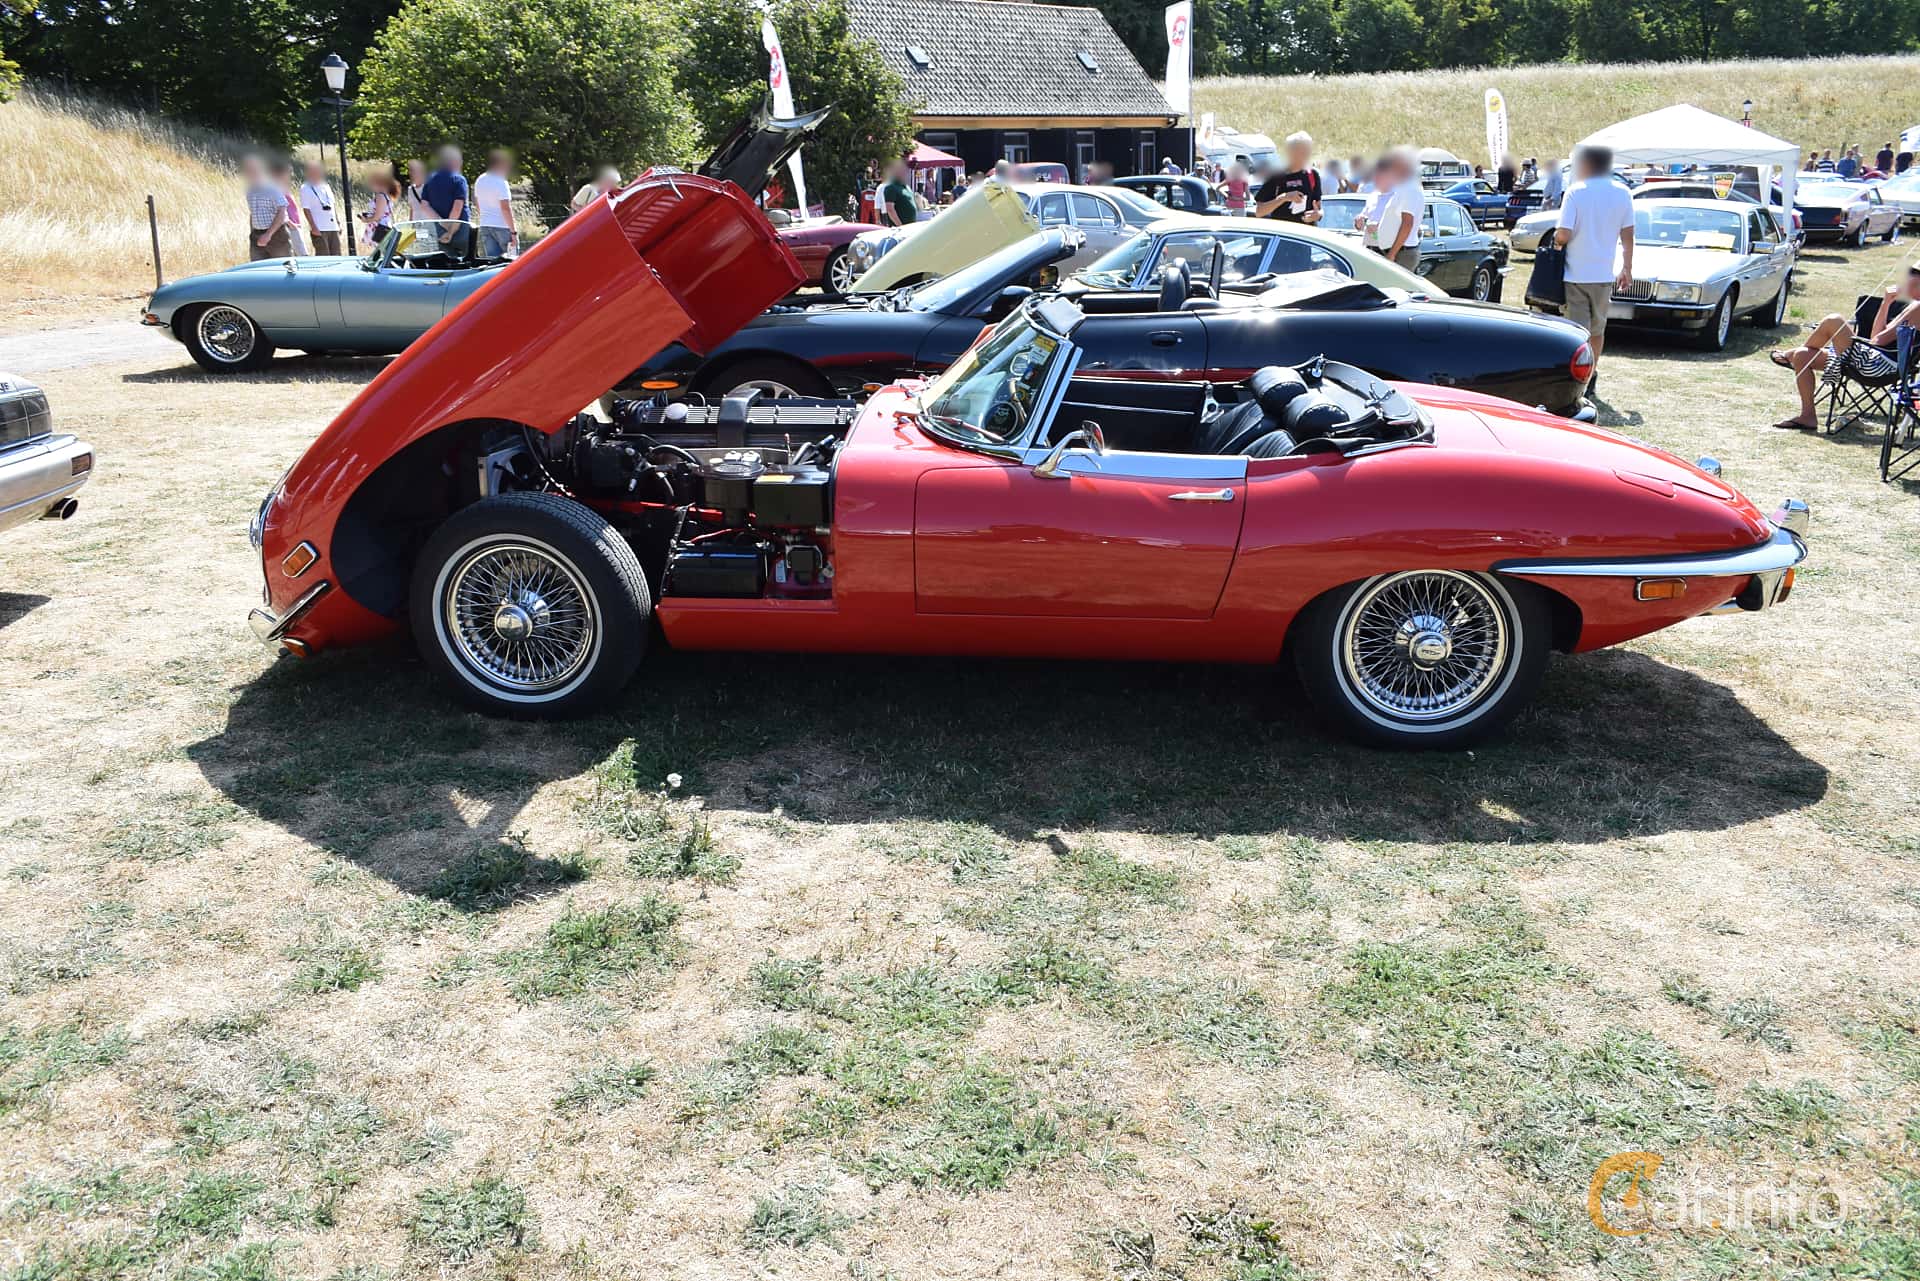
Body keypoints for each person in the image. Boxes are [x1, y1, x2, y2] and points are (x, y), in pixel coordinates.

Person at [1766, 266, 1920, 430]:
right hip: (1876, 359)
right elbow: (1876, 335)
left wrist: (1854, 338)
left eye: (1913, 274)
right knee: (1803, 356)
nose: (1906, 278)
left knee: (1834, 320)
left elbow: (1878, 341)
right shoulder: (1914, 305)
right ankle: (1808, 416)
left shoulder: (1918, 308)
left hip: (1881, 366)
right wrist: (1886, 302)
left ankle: (1790, 354)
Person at [1550, 144, 1635, 369]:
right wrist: (1627, 267)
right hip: (1603, 272)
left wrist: (1557, 239)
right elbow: (1628, 234)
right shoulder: (1623, 193)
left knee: (1577, 330)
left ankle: (1576, 372)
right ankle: (1592, 371)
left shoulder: (1576, 192)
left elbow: (1564, 234)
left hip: (1576, 272)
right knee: (1598, 330)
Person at [1360, 146, 1423, 272]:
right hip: (1396, 251)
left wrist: (1392, 254)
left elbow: (1407, 224)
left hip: (1401, 253)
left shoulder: (1410, 187)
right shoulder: (1403, 186)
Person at [1255, 131, 1322, 224]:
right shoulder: (1276, 176)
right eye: (1303, 151)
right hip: (1284, 235)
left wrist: (1317, 215)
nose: (1307, 154)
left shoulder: (1312, 174)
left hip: (1307, 235)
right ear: (1291, 152)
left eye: (1308, 150)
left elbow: (1319, 208)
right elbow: (1259, 212)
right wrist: (1283, 198)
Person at [422, 145, 470, 257]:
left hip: (439, 228)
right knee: (462, 261)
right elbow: (458, 206)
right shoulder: (459, 179)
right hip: (459, 228)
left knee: (445, 259)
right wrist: (450, 230)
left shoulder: (429, 180)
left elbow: (424, 205)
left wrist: (441, 222)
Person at [243, 155, 291, 261]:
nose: (250, 173)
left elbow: (282, 212)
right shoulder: (250, 191)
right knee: (259, 270)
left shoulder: (272, 188)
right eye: (247, 170)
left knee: (282, 268)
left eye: (253, 169)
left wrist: (268, 234)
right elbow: (253, 214)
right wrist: (253, 232)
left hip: (277, 235)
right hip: (257, 235)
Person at [473, 148, 517, 259]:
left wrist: (485, 217)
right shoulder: (501, 181)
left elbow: (477, 203)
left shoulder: (480, 179)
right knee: (511, 263)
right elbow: (505, 208)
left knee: (492, 263)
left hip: (485, 225)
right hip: (502, 226)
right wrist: (513, 232)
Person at [298, 160, 343, 256]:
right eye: (313, 170)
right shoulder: (305, 188)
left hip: (332, 227)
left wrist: (338, 223)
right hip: (319, 228)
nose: (316, 173)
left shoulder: (326, 186)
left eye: (318, 170)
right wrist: (313, 227)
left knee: (337, 255)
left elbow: (332, 206)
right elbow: (306, 209)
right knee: (323, 255)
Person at [274, 160, 307, 255]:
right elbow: (277, 209)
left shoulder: (284, 188)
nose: (290, 176)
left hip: (295, 226)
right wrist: (290, 223)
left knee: (297, 255)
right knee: (302, 255)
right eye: (288, 173)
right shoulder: (276, 189)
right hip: (289, 227)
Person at [360, 170, 397, 245]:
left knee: (378, 252)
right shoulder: (387, 195)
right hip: (384, 225)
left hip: (378, 228)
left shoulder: (380, 196)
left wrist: (366, 220)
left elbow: (378, 216)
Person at [877, 159, 916, 227]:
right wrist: (900, 226)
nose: (905, 172)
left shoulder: (907, 187)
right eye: (901, 170)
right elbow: (890, 209)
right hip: (899, 230)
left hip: (911, 227)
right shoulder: (891, 187)